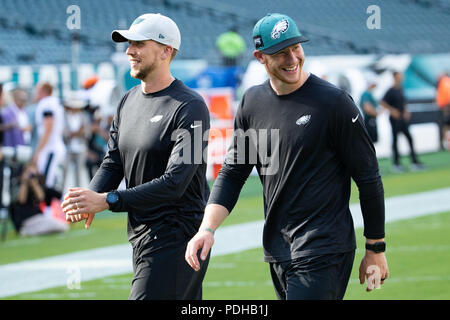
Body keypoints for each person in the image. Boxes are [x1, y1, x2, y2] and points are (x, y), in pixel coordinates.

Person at [185, 13, 389, 300]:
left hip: (324, 247)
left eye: (296, 48)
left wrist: (375, 248)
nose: (292, 58)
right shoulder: (252, 102)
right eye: (281, 53)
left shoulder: (334, 103)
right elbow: (233, 173)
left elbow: (368, 178)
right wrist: (207, 228)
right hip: (278, 249)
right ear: (260, 57)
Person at [62, 13, 211, 300]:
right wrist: (89, 198)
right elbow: (114, 161)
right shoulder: (127, 100)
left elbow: (176, 182)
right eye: (129, 44)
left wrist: (107, 200)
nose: (129, 51)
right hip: (141, 235)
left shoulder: (191, 107)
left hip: (177, 238)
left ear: (166, 51)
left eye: (139, 44)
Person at [33, 82, 66, 217]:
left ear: (43, 90)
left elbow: (48, 128)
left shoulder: (47, 103)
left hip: (50, 149)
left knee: (46, 181)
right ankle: (60, 207)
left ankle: (52, 211)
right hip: (54, 146)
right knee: (48, 181)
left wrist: (38, 151)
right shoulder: (54, 102)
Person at [380, 71, 423, 172]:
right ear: (395, 77)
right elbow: (382, 102)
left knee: (409, 139)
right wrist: (393, 110)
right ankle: (396, 164)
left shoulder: (400, 89)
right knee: (395, 141)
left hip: (403, 119)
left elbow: (403, 102)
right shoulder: (390, 91)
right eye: (399, 75)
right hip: (395, 119)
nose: (401, 77)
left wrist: (406, 111)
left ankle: (414, 162)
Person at [360, 77, 380, 143]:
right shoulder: (366, 94)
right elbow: (367, 108)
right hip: (369, 119)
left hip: (371, 119)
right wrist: (376, 113)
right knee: (370, 140)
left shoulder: (370, 93)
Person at [436, 72, 450, 150]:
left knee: (445, 126)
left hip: (445, 107)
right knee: (445, 125)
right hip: (445, 106)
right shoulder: (444, 82)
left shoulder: (444, 82)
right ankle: (444, 143)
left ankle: (444, 143)